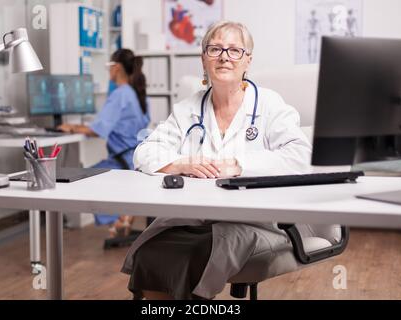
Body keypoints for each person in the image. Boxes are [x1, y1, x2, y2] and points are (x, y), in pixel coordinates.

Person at [121, 21, 313, 300]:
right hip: (192, 218)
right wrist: (180, 164)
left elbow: (301, 157)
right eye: (215, 49)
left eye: (235, 50)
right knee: (151, 252)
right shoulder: (188, 109)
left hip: (252, 222)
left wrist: (240, 165)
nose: (224, 56)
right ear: (203, 59)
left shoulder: (270, 105)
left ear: (248, 60)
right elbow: (145, 151)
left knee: (191, 255)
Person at [58, 48, 150, 236]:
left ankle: (120, 216)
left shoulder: (120, 94)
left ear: (116, 68)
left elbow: (96, 130)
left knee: (81, 180)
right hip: (135, 159)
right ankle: (123, 216)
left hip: (122, 161)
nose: (108, 71)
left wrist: (72, 127)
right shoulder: (137, 93)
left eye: (109, 66)